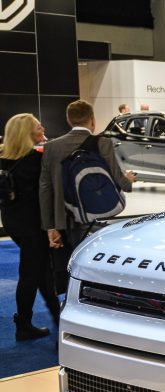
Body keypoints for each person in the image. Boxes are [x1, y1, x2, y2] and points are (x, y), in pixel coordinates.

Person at [39, 100, 136, 252]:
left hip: (67, 219)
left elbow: (45, 188)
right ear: (92, 119)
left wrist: (50, 226)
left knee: (71, 259)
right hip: (98, 213)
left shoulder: (52, 147)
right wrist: (128, 180)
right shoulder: (103, 143)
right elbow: (121, 181)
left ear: (69, 120)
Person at [1, 114, 61, 340]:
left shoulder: (5, 159)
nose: (42, 128)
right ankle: (23, 325)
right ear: (26, 132)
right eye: (38, 126)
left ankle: (55, 315)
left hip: (13, 222)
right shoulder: (36, 161)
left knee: (40, 270)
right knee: (31, 274)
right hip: (33, 225)